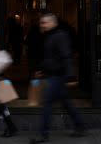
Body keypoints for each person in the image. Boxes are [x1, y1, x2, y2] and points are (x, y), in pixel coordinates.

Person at [30, 13, 86, 143]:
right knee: (66, 104)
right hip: (53, 75)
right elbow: (49, 57)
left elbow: (66, 56)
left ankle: (43, 135)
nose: (42, 25)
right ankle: (80, 126)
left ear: (53, 23)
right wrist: (42, 70)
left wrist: (70, 76)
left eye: (45, 22)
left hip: (57, 76)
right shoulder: (48, 36)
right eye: (41, 22)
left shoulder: (60, 36)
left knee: (47, 103)